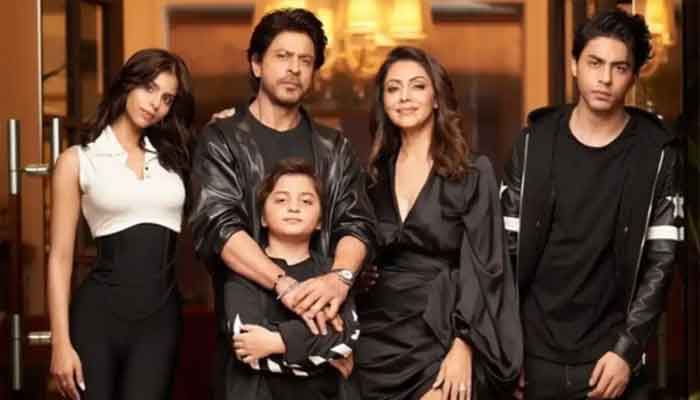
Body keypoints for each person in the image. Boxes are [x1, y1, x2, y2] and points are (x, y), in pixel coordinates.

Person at [188, 8, 375, 399]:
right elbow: (219, 226)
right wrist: (282, 284)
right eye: (283, 56)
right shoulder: (223, 139)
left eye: (305, 60)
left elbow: (356, 223)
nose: (294, 69)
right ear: (257, 64)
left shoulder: (333, 147)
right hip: (250, 336)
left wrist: (339, 278)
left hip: (324, 337)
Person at [501, 9, 683, 400]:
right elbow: (503, 251)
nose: (605, 79)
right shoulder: (534, 144)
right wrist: (507, 346)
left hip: (610, 359)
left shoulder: (656, 153)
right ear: (574, 65)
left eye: (620, 67)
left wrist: (627, 350)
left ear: (634, 76)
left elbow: (661, 261)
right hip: (533, 357)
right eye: (595, 63)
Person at [353, 46, 522, 400]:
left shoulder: (472, 173)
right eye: (393, 88)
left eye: (417, 86)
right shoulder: (372, 177)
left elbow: (485, 267)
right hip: (374, 338)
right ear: (383, 101)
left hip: (440, 332)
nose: (404, 97)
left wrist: (464, 345)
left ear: (435, 98)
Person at [47, 48, 195, 400]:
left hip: (160, 320)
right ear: (128, 84)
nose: (155, 103)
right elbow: (60, 258)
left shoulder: (175, 158)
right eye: (149, 87)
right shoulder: (79, 160)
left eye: (167, 98)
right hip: (98, 318)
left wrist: (230, 123)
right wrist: (60, 343)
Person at [223, 158, 360, 399]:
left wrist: (277, 342)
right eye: (281, 200)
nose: (293, 208)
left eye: (306, 201)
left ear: (320, 221)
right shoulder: (245, 271)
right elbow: (247, 349)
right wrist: (324, 354)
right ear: (263, 217)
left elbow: (346, 339)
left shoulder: (332, 275)